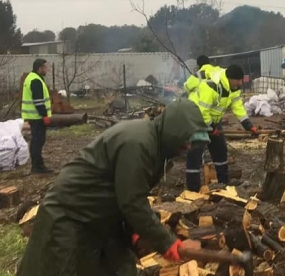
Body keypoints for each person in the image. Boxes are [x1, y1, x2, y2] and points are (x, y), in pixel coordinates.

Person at [16, 101, 208, 276]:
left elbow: (127, 192)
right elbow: (132, 202)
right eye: (187, 139)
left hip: (102, 219)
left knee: (122, 269)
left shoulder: (155, 147)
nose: (188, 146)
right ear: (175, 129)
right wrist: (168, 243)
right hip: (71, 216)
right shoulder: (139, 142)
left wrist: (134, 231)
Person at [187, 65, 257, 189]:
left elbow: (237, 106)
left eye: (241, 79)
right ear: (230, 78)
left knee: (220, 149)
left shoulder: (233, 88)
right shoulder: (211, 86)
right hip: (196, 118)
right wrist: (211, 128)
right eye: (238, 80)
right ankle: (193, 188)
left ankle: (223, 182)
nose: (240, 83)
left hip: (213, 120)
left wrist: (248, 125)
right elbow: (203, 111)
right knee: (196, 151)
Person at [22, 58, 53, 173]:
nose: (47, 69)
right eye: (45, 67)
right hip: (37, 117)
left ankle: (37, 165)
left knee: (36, 141)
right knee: (38, 141)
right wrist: (44, 115)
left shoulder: (31, 77)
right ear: (40, 68)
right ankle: (37, 167)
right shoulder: (36, 80)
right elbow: (39, 101)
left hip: (33, 116)